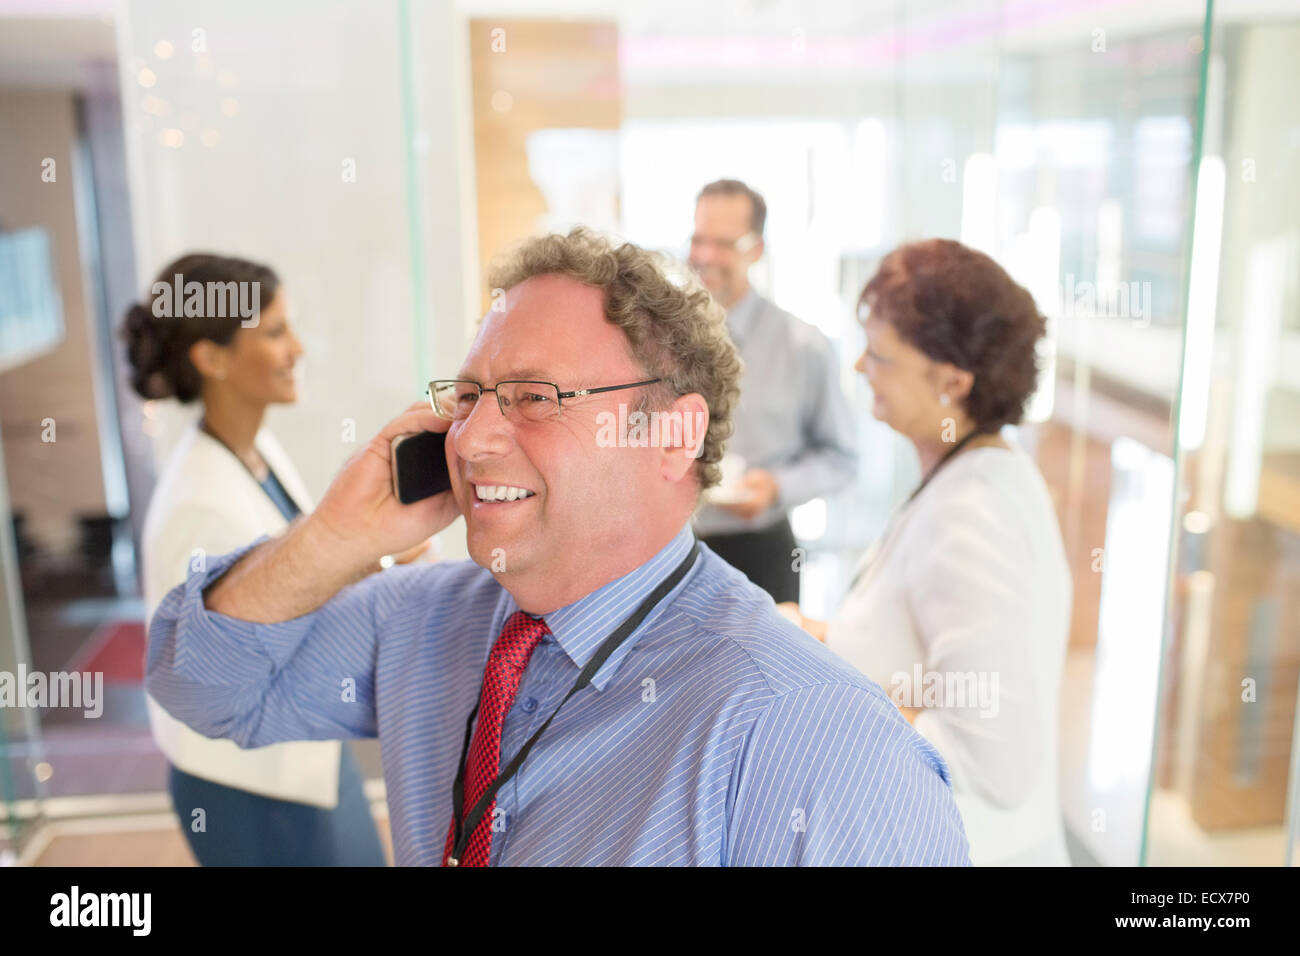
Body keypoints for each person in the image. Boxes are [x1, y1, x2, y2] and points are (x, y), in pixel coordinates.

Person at [145, 228, 970, 866]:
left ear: (673, 434)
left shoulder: (815, 737)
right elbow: (202, 685)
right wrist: (334, 539)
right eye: (468, 396)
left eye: (535, 398)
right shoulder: (422, 619)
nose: (471, 439)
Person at [792, 238, 1072, 866]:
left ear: (952, 381)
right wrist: (819, 638)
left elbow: (996, 756)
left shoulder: (974, 510)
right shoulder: (970, 473)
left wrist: (830, 684)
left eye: (883, 356)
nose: (862, 366)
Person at [124, 253, 389, 866]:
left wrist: (372, 559)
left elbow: (294, 576)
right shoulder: (199, 509)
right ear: (211, 359)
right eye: (274, 332)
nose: (297, 347)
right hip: (248, 786)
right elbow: (244, 651)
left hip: (298, 764)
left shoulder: (252, 449)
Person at [687, 179, 856, 603]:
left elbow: (842, 458)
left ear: (756, 249)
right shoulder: (661, 339)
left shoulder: (803, 346)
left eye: (723, 243)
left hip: (760, 552)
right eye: (698, 240)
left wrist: (776, 486)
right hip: (674, 550)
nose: (706, 256)